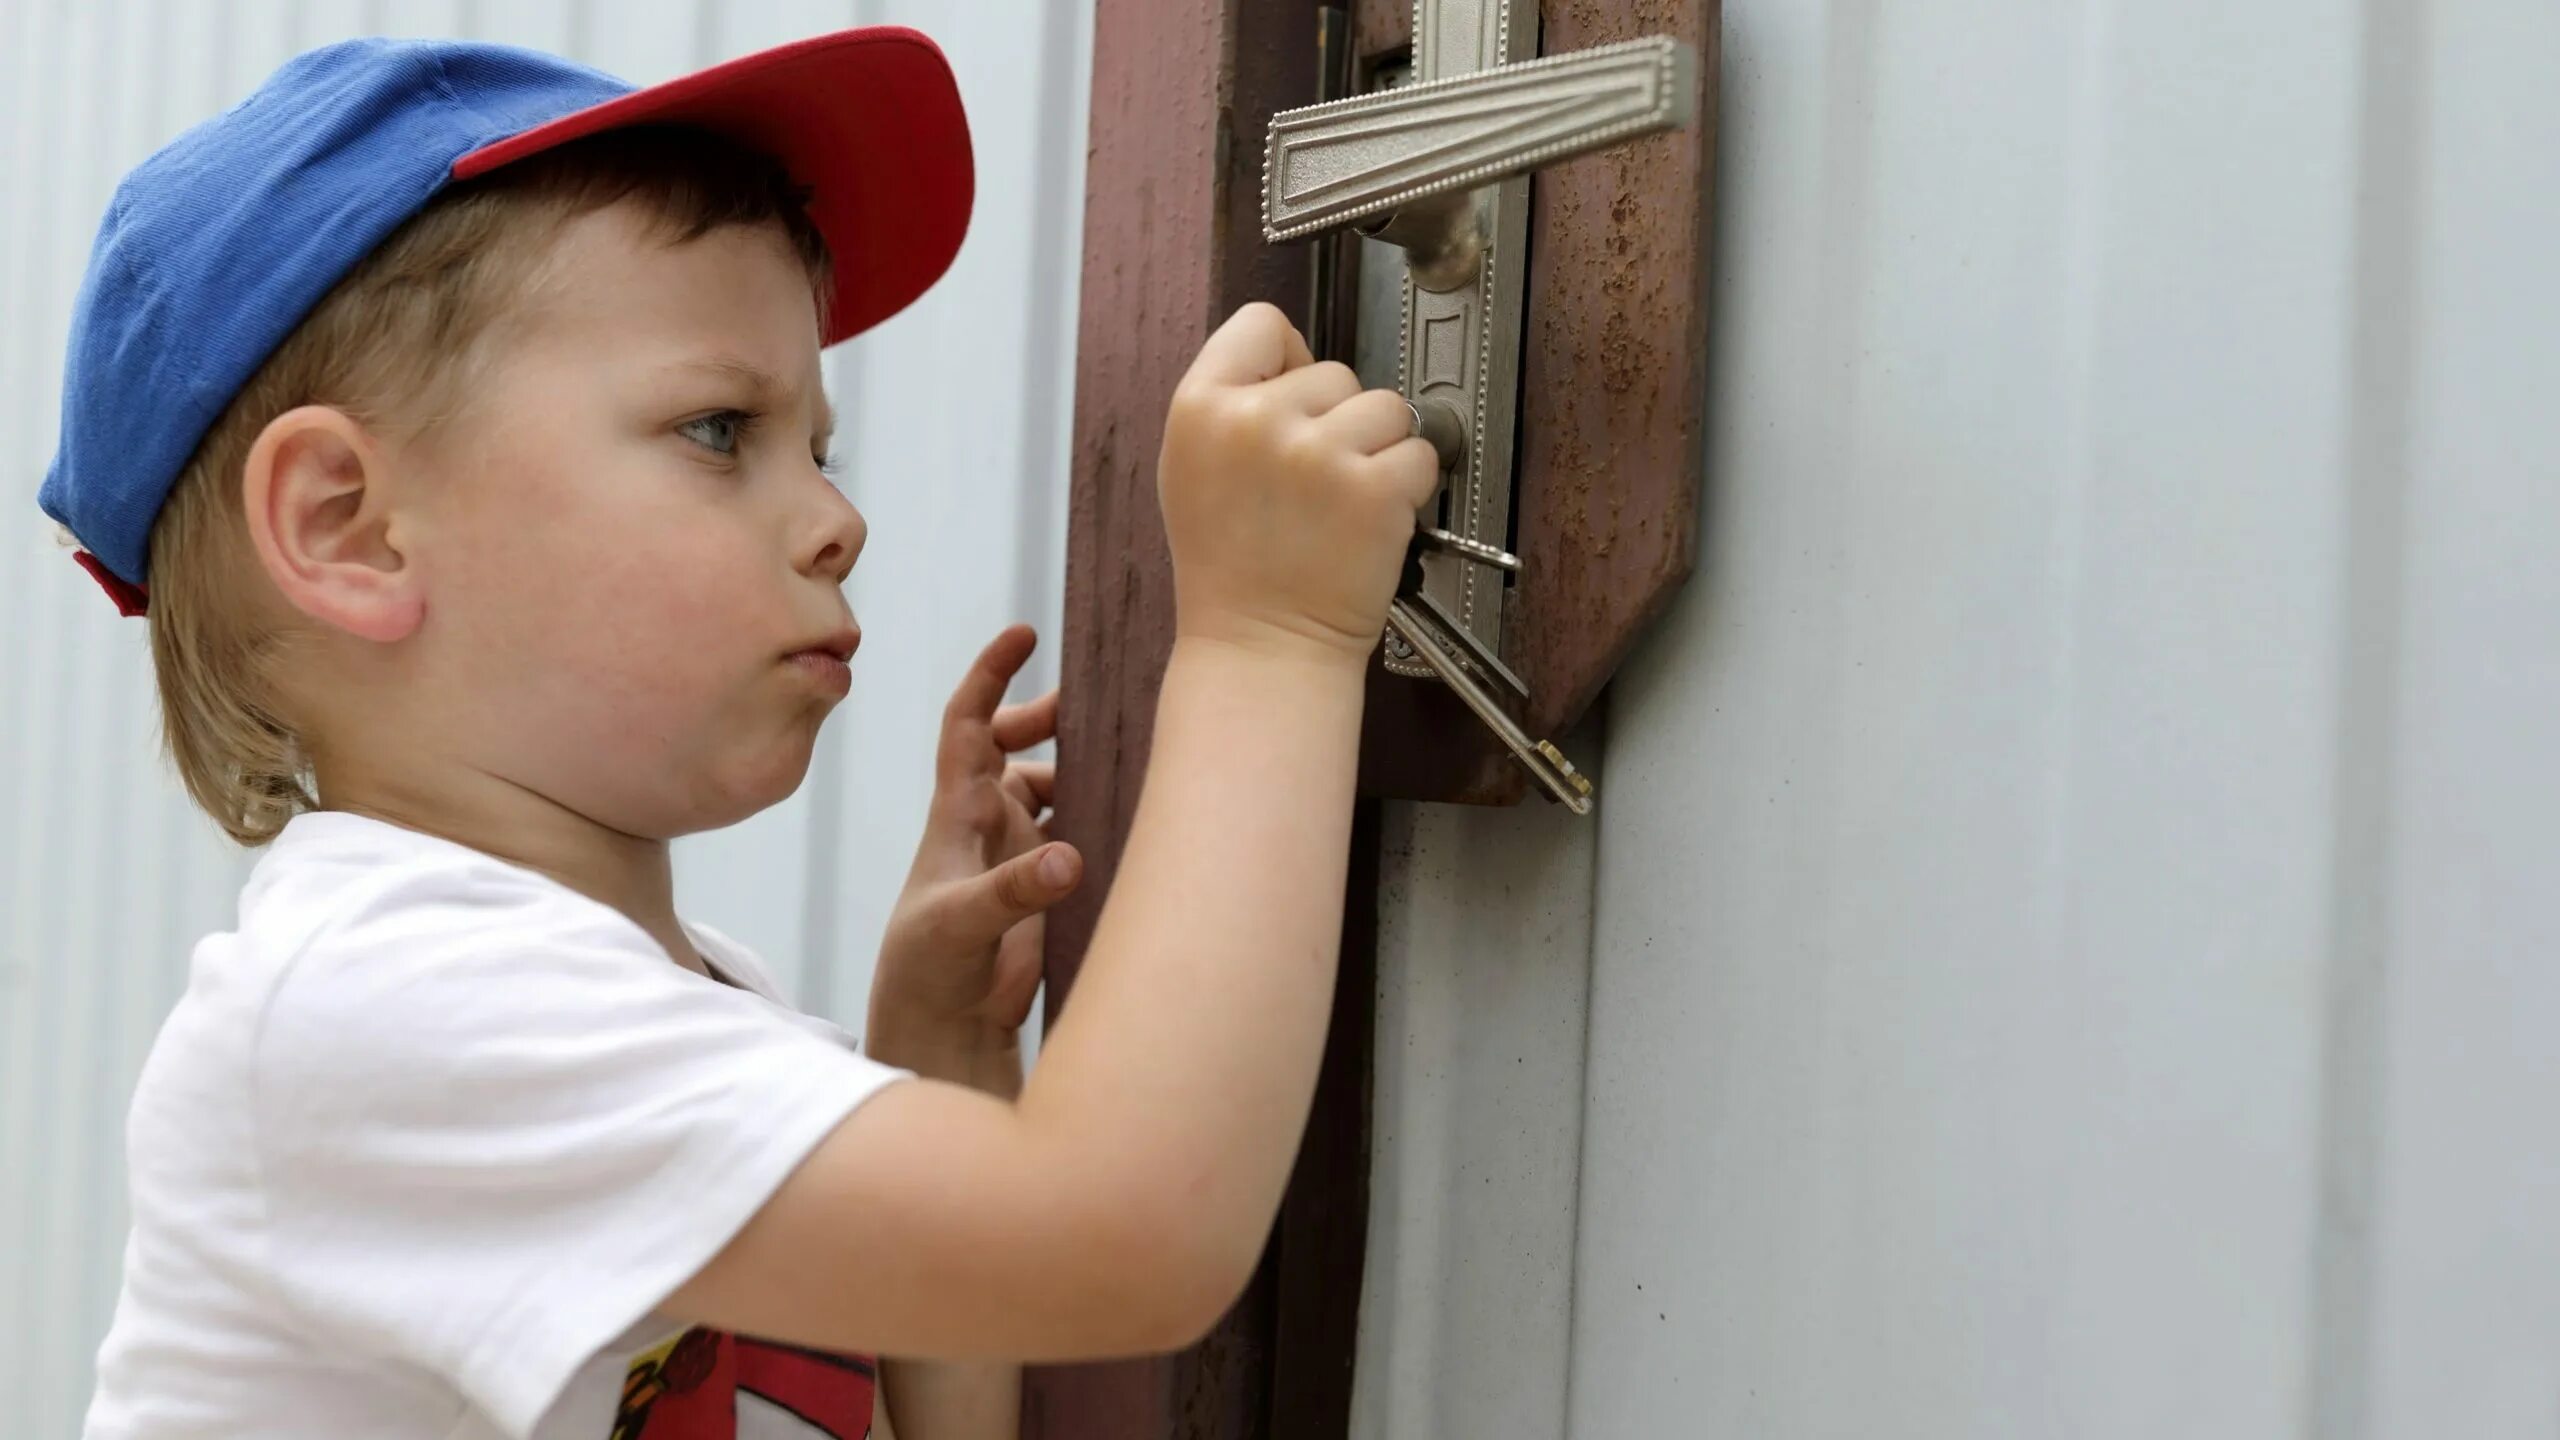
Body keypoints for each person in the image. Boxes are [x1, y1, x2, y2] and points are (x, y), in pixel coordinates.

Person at [40, 28, 1435, 1440]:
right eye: (720, 431)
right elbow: (1133, 1239)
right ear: (350, 527)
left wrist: (933, 1059)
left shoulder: (683, 1008)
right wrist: (1271, 641)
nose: (838, 520)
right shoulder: (385, 1007)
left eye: (817, 447)